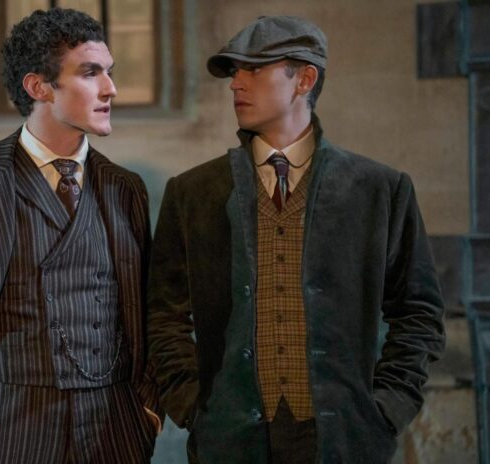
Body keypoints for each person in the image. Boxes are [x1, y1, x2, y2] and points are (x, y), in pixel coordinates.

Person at [147, 15, 445, 464]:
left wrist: (387, 408)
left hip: (345, 440)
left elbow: (418, 312)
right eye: (235, 71)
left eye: (254, 69)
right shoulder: (193, 192)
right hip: (229, 441)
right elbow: (163, 313)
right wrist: (192, 404)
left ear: (304, 79)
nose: (236, 84)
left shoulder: (379, 189)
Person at [0, 8, 160, 464]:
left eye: (110, 72)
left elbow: (149, 311)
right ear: (39, 87)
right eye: (90, 73)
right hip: (1, 432)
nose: (110, 88)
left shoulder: (126, 189)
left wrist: (147, 413)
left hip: (112, 432)